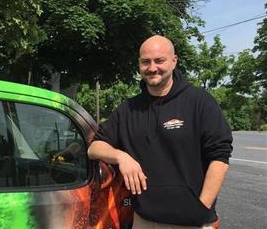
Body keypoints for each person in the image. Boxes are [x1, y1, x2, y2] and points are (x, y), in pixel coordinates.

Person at [87, 35, 233, 229]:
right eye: (145, 62)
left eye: (159, 60)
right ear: (139, 65)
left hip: (192, 223)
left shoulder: (200, 102)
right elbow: (94, 147)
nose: (152, 67)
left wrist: (201, 209)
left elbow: (220, 159)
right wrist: (122, 157)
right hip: (143, 221)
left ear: (174, 61)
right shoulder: (129, 109)